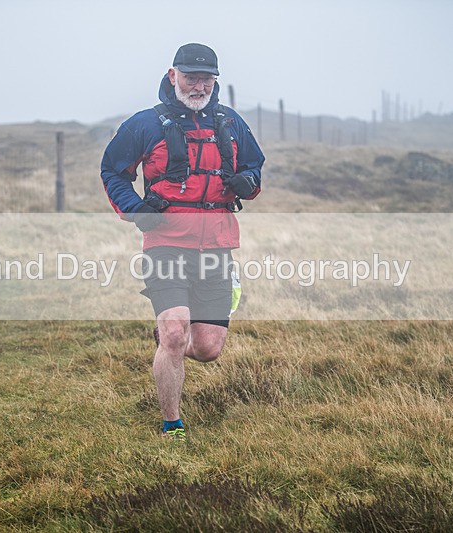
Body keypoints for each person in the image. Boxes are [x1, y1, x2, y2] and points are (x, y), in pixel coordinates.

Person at [101, 43, 265, 439]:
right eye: (190, 77)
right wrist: (136, 210)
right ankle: (171, 424)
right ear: (172, 75)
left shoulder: (230, 122)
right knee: (176, 332)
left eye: (205, 79)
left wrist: (249, 182)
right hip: (166, 243)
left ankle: (168, 338)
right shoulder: (144, 124)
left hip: (218, 245)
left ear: (214, 82)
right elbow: (113, 171)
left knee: (208, 348)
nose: (198, 86)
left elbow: (254, 166)